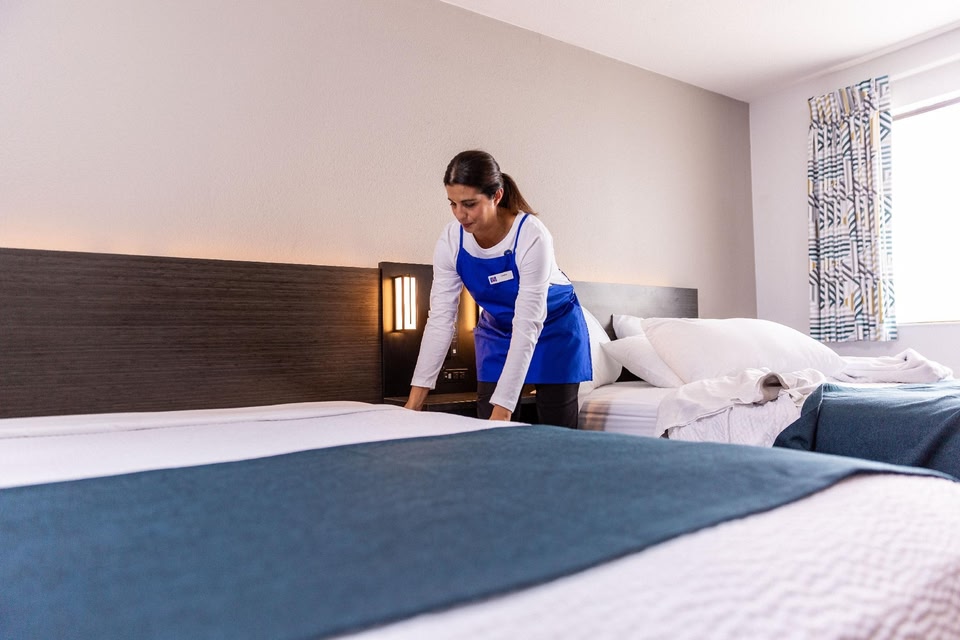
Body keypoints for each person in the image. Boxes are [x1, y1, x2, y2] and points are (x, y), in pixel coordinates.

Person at [404, 150, 592, 428]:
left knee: (556, 434)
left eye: (469, 204)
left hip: (553, 328)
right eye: (453, 204)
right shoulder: (451, 241)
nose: (460, 214)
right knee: (488, 430)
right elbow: (441, 320)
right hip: (498, 331)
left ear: (497, 196)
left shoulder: (531, 235)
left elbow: (527, 322)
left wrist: (503, 412)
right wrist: (413, 404)